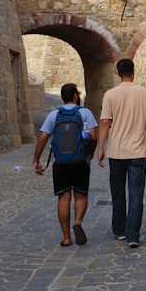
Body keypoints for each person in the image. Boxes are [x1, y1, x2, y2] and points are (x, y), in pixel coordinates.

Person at [96, 58, 146, 248]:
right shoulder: (145, 93)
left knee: (118, 192)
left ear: (118, 73)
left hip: (116, 151)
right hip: (137, 151)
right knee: (136, 194)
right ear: (133, 72)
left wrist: (101, 147)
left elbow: (104, 122)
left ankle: (119, 230)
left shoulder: (110, 95)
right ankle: (133, 235)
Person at [33, 83, 98, 247]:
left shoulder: (53, 115)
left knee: (64, 197)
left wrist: (36, 160)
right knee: (81, 194)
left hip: (60, 162)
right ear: (75, 96)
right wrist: (89, 154)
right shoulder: (85, 113)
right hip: (80, 161)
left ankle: (66, 237)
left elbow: (42, 138)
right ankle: (77, 221)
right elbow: (93, 137)